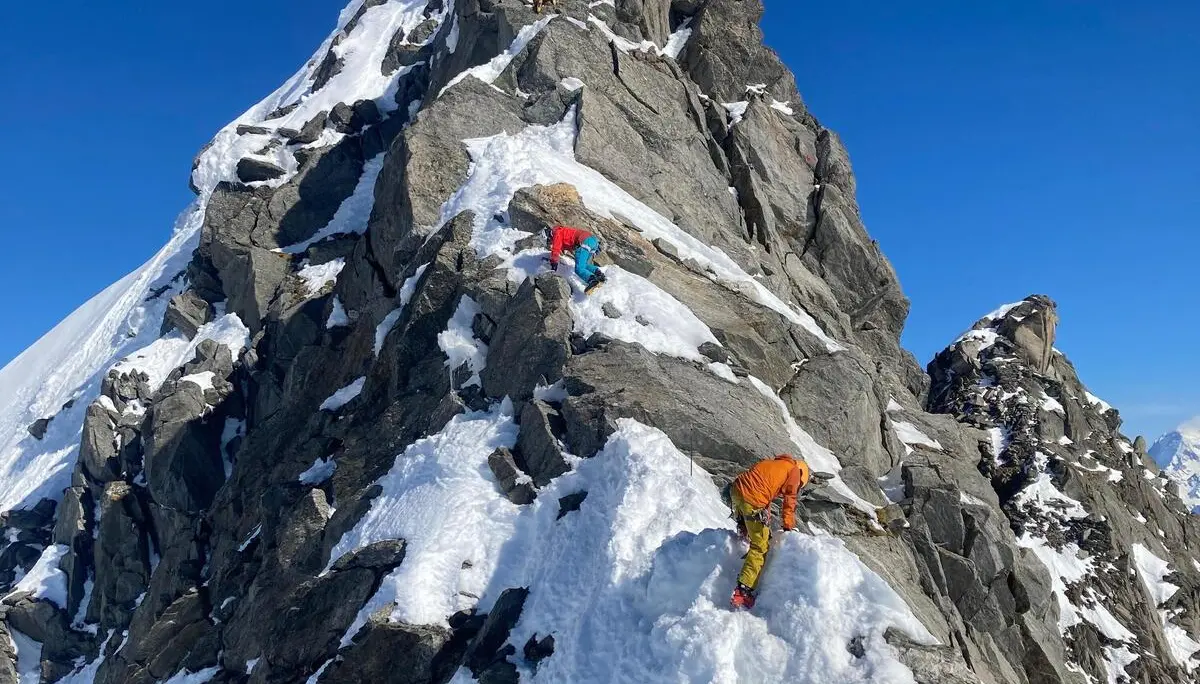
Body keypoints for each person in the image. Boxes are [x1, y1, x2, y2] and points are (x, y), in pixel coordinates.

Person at [727, 454, 811, 609]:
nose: (797, 486)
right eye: (800, 485)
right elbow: (789, 501)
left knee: (751, 521)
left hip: (737, 491)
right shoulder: (794, 471)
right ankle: (743, 591)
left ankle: (743, 532)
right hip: (752, 499)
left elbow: (765, 493)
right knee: (761, 546)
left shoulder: (775, 464)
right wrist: (787, 526)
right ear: (801, 475)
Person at [546, 225, 607, 293]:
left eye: (549, 240)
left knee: (579, 269)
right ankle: (599, 275)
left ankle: (592, 280)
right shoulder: (563, 231)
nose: (550, 242)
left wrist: (553, 264)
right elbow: (564, 245)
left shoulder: (557, 233)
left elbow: (555, 250)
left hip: (584, 241)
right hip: (593, 241)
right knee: (585, 265)